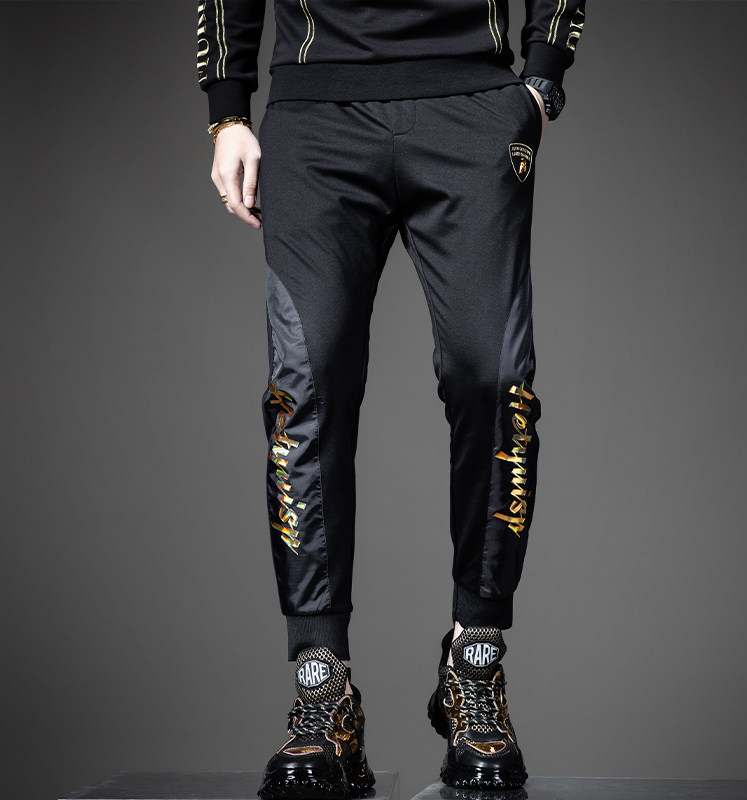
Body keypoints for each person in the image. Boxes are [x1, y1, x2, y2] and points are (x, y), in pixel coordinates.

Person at [197, 0, 587, 795]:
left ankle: (475, 664)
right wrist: (227, 109)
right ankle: (322, 690)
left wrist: (543, 79)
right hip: (317, 115)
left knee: (497, 384)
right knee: (305, 391)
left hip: (473, 107)